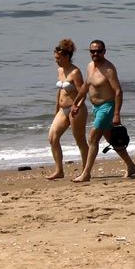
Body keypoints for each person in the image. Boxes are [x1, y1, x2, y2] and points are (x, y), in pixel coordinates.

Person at [71, 39, 135, 181]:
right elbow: (85, 86)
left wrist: (116, 114)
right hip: (96, 108)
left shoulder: (108, 69)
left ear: (104, 52)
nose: (95, 53)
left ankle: (86, 173)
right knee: (113, 140)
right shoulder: (90, 66)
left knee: (93, 137)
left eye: (99, 51)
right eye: (92, 51)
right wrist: (76, 103)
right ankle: (131, 166)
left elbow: (118, 91)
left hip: (107, 107)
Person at [46, 38, 89, 179]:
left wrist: (77, 105)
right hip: (62, 110)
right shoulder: (60, 70)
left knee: (80, 140)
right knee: (52, 137)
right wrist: (56, 108)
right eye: (55, 58)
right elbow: (60, 91)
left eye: (58, 58)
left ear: (66, 56)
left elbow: (83, 92)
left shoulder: (75, 72)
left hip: (76, 109)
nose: (56, 61)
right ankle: (59, 171)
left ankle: (85, 171)